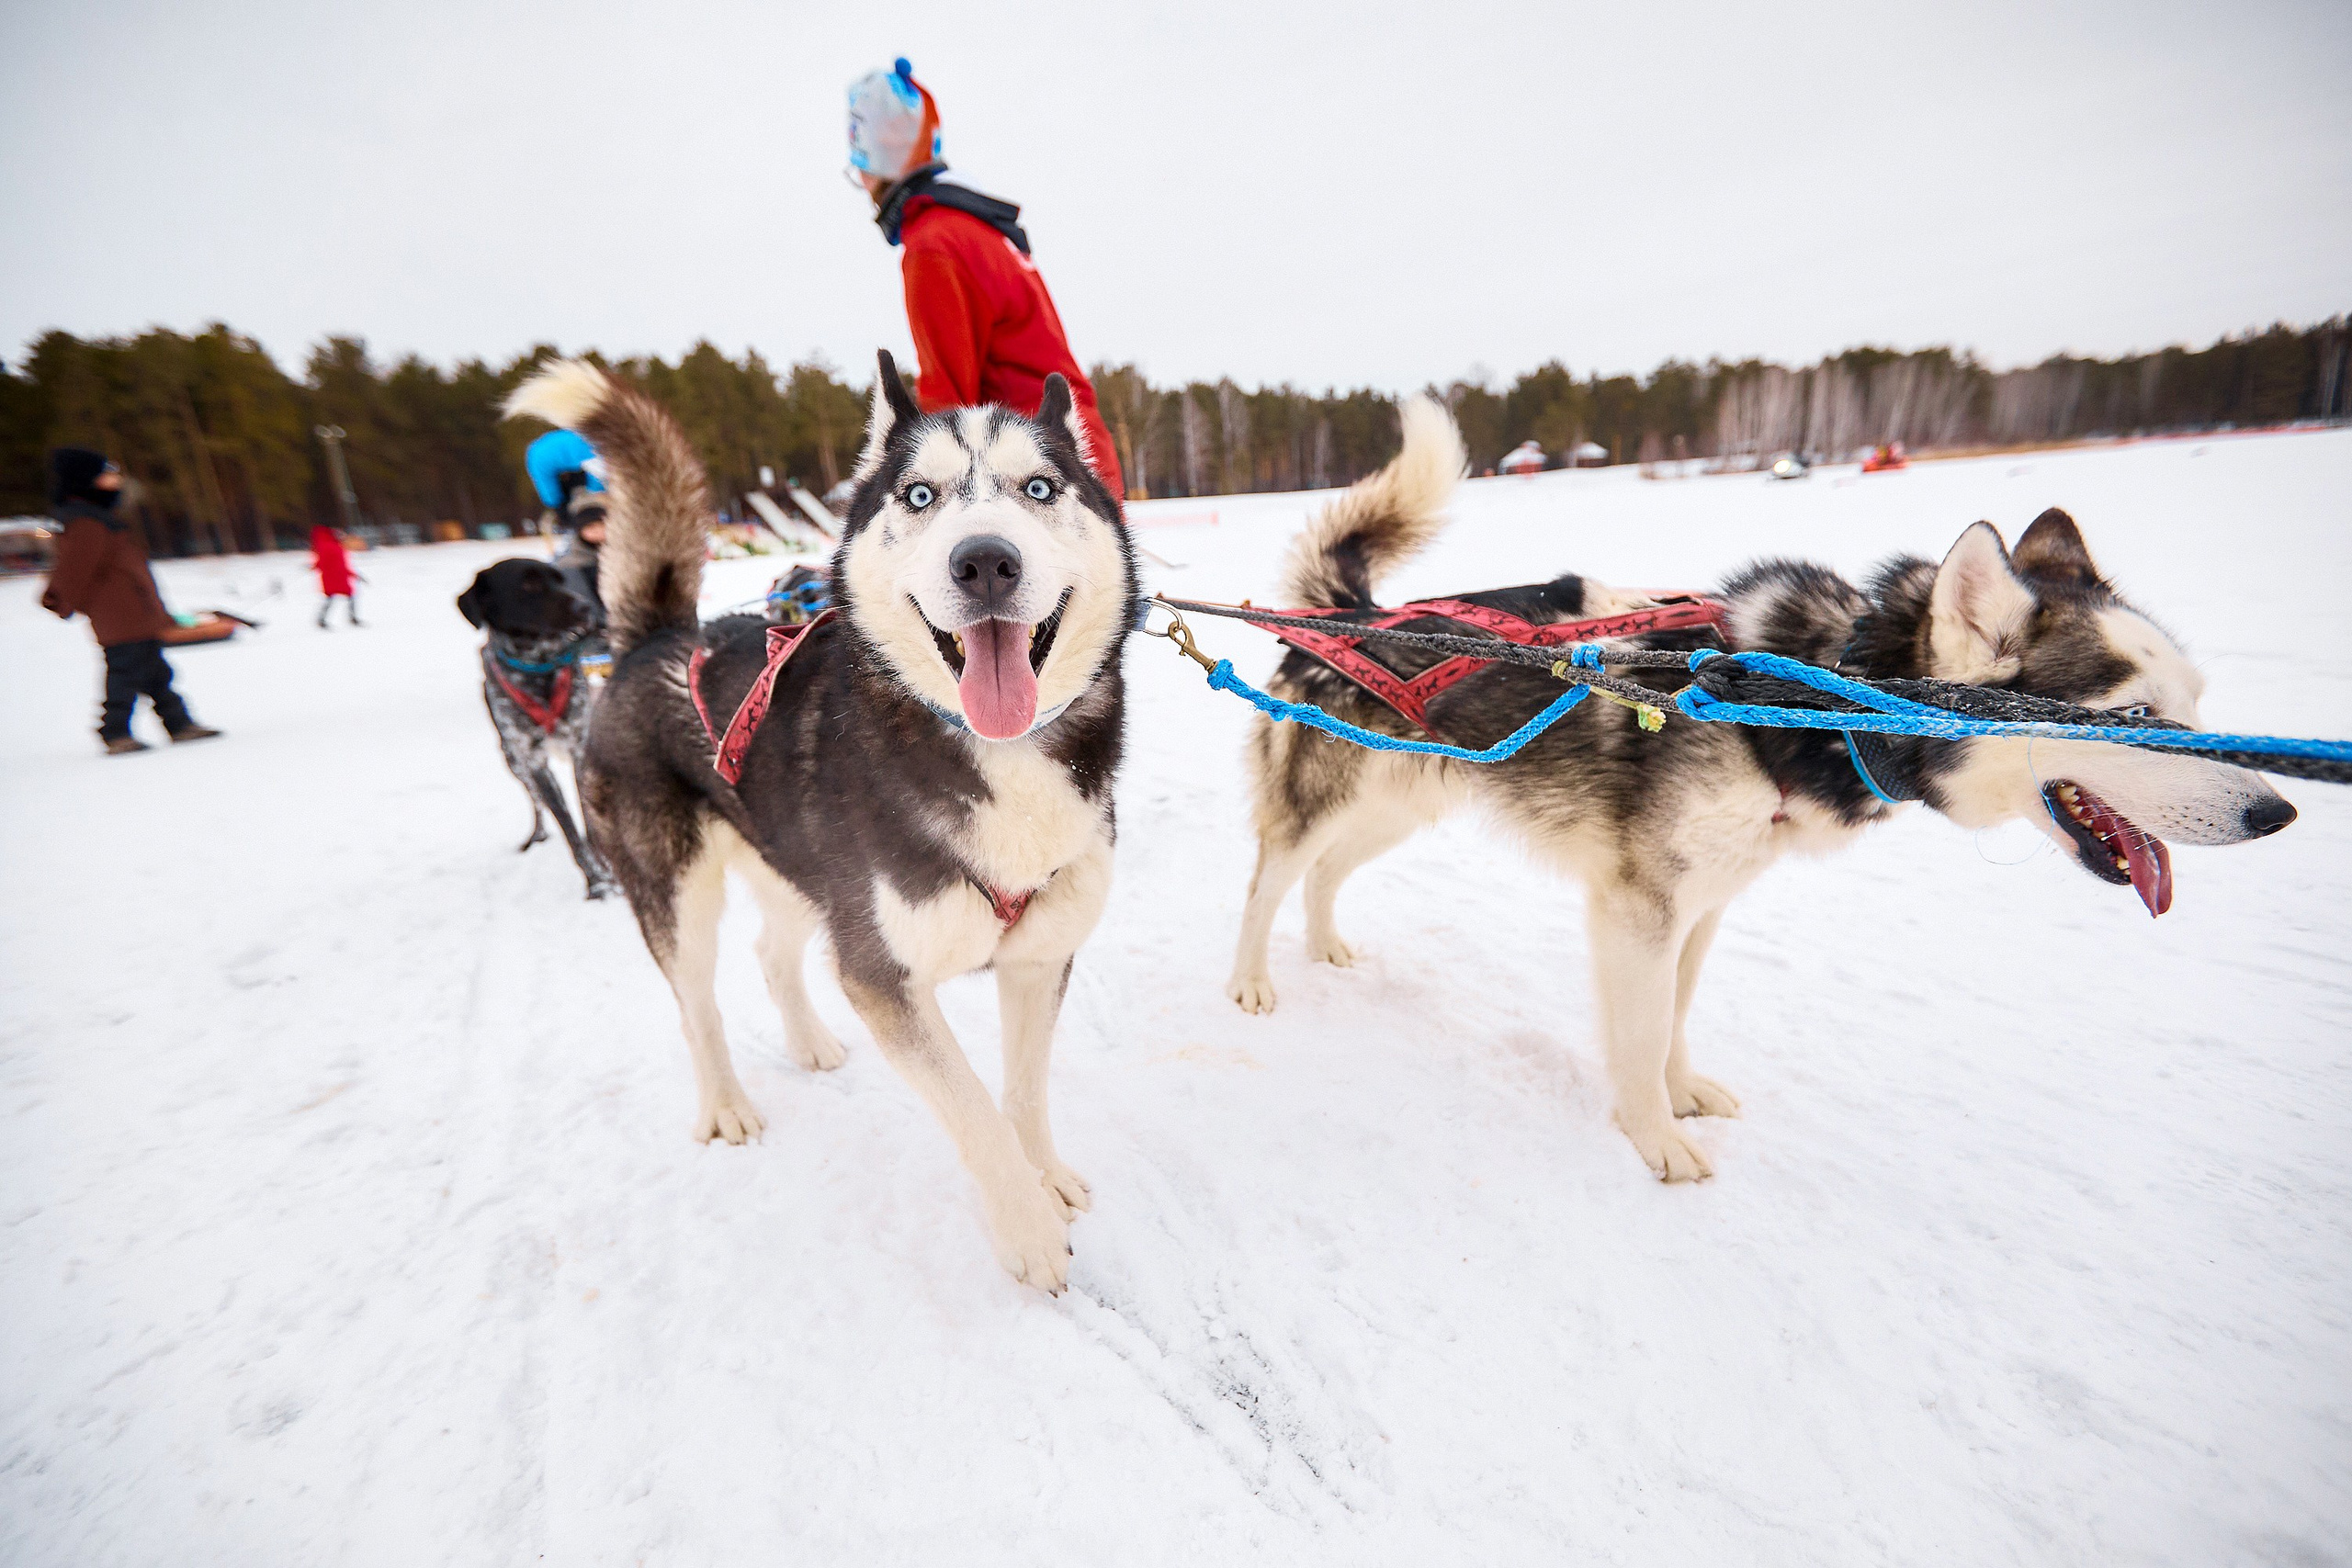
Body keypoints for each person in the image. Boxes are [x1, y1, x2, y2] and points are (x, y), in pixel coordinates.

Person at [846, 59, 1125, 497]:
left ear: (878, 166)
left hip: (1032, 474)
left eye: (859, 169)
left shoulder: (934, 246)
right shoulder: (980, 229)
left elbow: (948, 403)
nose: (861, 184)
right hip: (1074, 457)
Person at [40, 446, 221, 755]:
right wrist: (60, 599)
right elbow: (75, 567)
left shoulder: (100, 517)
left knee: (156, 673)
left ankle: (179, 724)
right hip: (119, 615)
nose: (116, 479)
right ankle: (115, 732)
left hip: (136, 612)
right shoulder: (86, 522)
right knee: (125, 674)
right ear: (89, 479)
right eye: (108, 473)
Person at [526, 427, 609, 610]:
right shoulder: (589, 443)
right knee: (591, 510)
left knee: (582, 514)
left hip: (560, 471)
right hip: (581, 469)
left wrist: (556, 504)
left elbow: (548, 490)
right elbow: (599, 480)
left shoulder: (539, 449)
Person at [311, 521, 361, 627]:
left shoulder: (326, 545)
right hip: (335, 577)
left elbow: (333, 563)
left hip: (337, 576)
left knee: (333, 597)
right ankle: (351, 618)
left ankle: (322, 618)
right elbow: (324, 562)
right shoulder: (330, 545)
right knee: (344, 596)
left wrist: (351, 574)